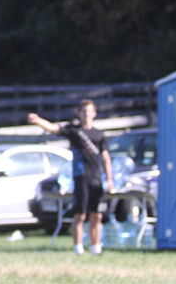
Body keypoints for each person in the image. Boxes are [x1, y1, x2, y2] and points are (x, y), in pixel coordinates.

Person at [28, 99, 113, 254]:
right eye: (84, 111)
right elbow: (54, 128)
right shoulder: (74, 131)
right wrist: (38, 120)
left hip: (96, 179)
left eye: (89, 111)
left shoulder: (99, 134)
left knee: (97, 215)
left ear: (94, 113)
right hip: (81, 178)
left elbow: (106, 157)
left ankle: (96, 247)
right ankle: (78, 247)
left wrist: (109, 178)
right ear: (79, 113)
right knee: (80, 215)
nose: (86, 114)